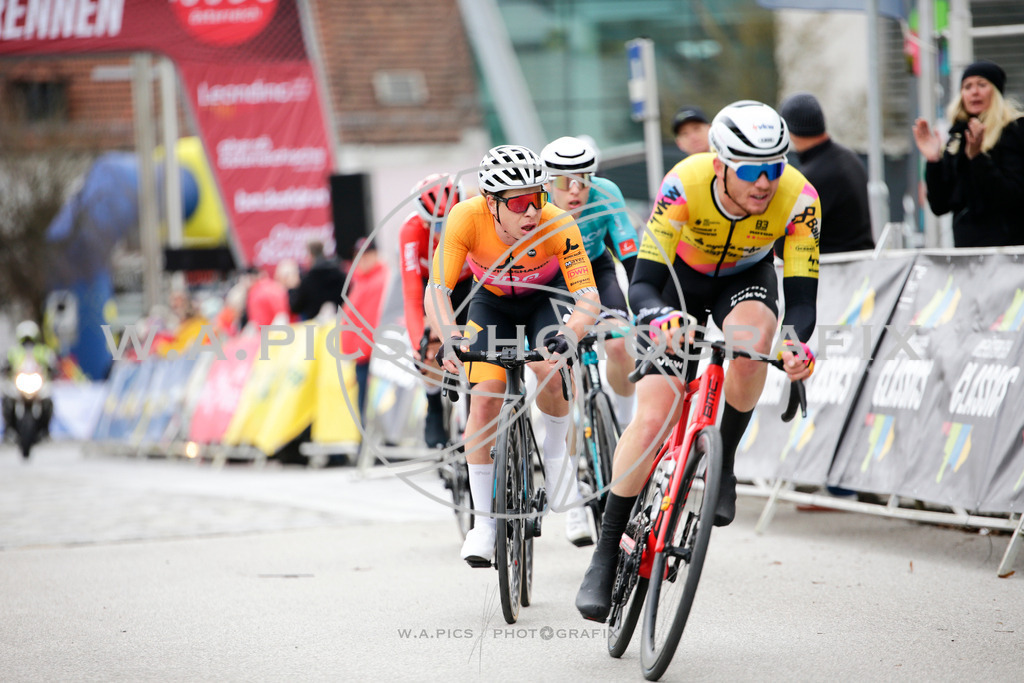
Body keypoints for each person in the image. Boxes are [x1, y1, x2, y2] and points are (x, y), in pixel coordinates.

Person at [575, 100, 820, 622]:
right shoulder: (683, 184)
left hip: (744, 280)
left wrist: (795, 344)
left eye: (774, 168)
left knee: (755, 344)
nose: (764, 183)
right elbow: (640, 283)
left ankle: (723, 459)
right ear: (720, 165)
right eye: (752, 170)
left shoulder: (799, 198)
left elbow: (801, 297)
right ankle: (605, 550)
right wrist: (659, 315)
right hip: (675, 282)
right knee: (654, 415)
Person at [427, 144, 602, 564]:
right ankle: (484, 524)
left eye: (538, 197)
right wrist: (449, 337)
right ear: (491, 204)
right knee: (484, 397)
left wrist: (572, 333)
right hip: (492, 303)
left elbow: (588, 297)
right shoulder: (466, 218)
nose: (531, 212)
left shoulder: (557, 223)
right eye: (519, 202)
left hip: (546, 299)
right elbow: (438, 289)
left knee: (548, 360)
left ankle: (558, 462)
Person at [540, 135, 639, 425]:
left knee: (620, 341)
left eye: (582, 180)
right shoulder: (538, 202)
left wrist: (643, 308)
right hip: (552, 276)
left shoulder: (607, 192)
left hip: (595, 268)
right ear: (548, 184)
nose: (574, 190)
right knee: (556, 358)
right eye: (563, 181)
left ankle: (625, 422)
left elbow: (629, 252)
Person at [913, 60, 1024, 247]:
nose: (974, 92)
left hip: (1009, 253)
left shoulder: (1014, 131)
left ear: (996, 92)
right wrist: (933, 160)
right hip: (967, 256)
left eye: (982, 84)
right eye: (967, 86)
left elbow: (1011, 196)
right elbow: (940, 206)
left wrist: (977, 158)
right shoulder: (958, 136)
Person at [398, 173, 473, 448]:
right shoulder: (411, 231)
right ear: (424, 219)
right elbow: (410, 295)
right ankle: (433, 403)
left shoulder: (473, 214)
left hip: (467, 284)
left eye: (449, 219)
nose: (443, 230)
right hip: (431, 287)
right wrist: (420, 342)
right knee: (427, 348)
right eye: (436, 224)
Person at [779, 92, 875, 253]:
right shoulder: (848, 158)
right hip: (860, 265)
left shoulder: (814, 177)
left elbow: (785, 244)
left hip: (835, 271)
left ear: (790, 131)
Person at [341, 238, 390, 429]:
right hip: (362, 354)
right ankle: (370, 443)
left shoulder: (381, 280)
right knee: (364, 401)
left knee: (376, 401)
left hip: (375, 353)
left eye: (365, 255)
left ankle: (380, 444)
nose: (361, 260)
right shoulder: (361, 280)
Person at [2, 320, 58, 438]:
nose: (28, 343)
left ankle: (45, 429)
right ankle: (9, 428)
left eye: (30, 339)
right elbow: (6, 363)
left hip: (36, 382)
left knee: (48, 400)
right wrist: (5, 368)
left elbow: (51, 362)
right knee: (7, 399)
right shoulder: (14, 351)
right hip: (19, 382)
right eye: (25, 340)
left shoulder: (42, 350)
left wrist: (52, 369)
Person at [288, 240, 345, 320]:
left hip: (315, 330)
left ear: (310, 255)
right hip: (341, 326)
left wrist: (292, 289)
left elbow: (295, 307)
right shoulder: (340, 274)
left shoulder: (308, 280)